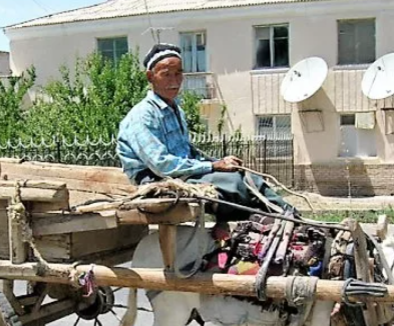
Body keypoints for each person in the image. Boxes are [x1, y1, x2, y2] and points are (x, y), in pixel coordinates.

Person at [117, 43, 294, 220]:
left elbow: (186, 151)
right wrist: (213, 166)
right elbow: (162, 165)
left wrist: (220, 162)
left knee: (247, 177)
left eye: (178, 73)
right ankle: (258, 223)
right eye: (166, 75)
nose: (174, 81)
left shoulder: (175, 110)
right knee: (232, 184)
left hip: (183, 175)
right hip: (157, 180)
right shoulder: (142, 116)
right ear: (150, 77)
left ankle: (290, 216)